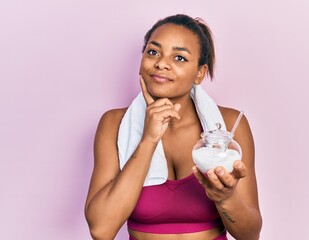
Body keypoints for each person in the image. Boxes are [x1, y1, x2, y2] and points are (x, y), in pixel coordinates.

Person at [85, 14, 262, 240]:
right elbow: (101, 230)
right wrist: (148, 139)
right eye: (153, 52)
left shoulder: (229, 125)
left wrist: (225, 197)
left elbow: (250, 234)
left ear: (199, 73)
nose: (161, 63)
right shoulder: (113, 124)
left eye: (179, 57)